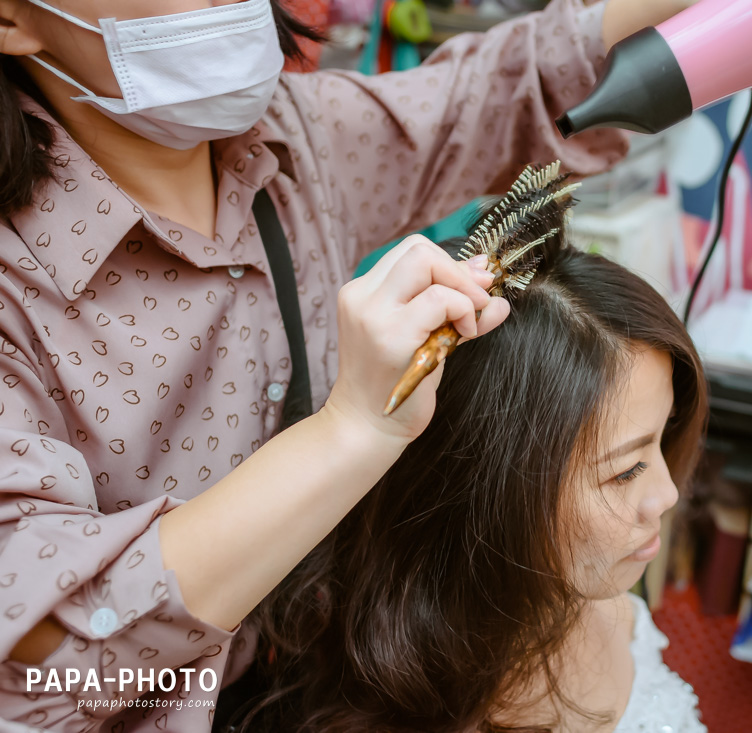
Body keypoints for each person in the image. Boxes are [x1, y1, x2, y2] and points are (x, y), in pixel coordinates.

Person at [0, 0, 699, 730]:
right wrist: (351, 430)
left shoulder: (298, 140)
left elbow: (499, 90)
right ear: (13, 19)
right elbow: (39, 665)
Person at [242, 195, 709, 732]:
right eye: (625, 471)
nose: (669, 494)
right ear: (488, 487)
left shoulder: (603, 599)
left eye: (663, 436)